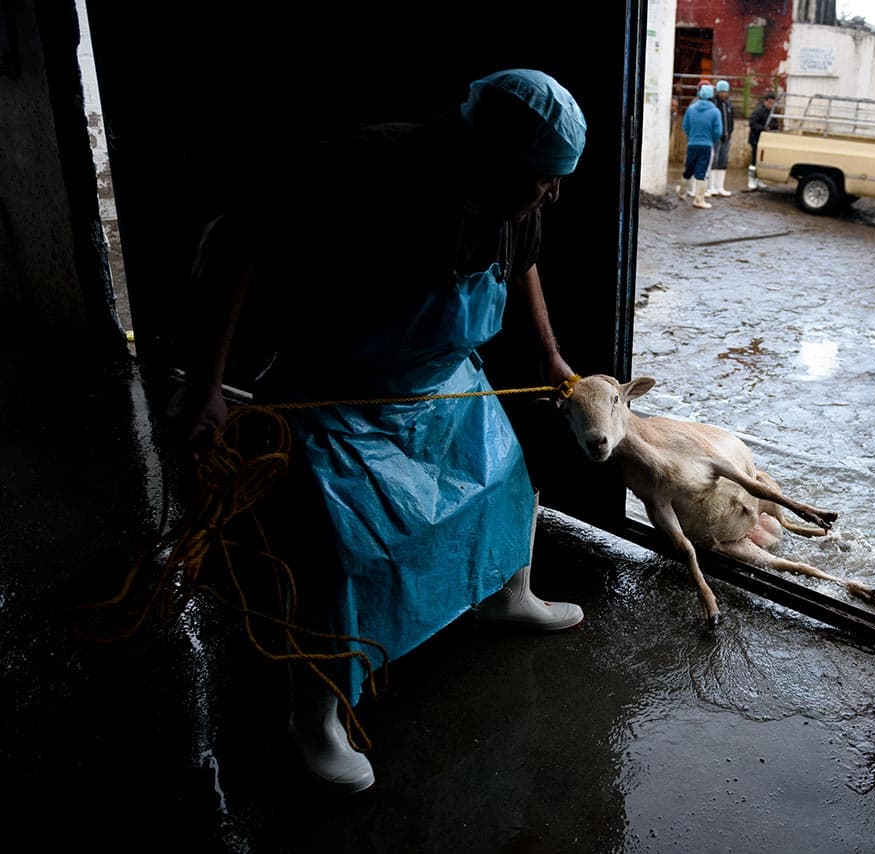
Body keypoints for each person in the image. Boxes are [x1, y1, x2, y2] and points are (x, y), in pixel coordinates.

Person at [176, 68, 589, 794]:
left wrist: (551, 356)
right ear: (490, 156)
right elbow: (234, 242)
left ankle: (503, 598)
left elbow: (520, 263)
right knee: (341, 552)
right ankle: (318, 717)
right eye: (544, 179)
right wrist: (208, 388)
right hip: (342, 394)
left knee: (506, 484)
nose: (553, 192)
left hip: (441, 378)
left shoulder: (519, 193)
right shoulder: (361, 170)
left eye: (559, 179)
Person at [679, 81, 722, 210]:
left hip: (692, 144)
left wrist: (692, 137)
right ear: (711, 96)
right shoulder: (715, 111)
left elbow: (685, 126)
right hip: (706, 145)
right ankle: (699, 200)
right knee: (702, 172)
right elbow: (718, 131)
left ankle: (682, 192)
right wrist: (711, 140)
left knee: (689, 169)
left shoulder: (691, 109)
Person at [747, 90, 779, 191]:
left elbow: (775, 124)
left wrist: (772, 128)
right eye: (770, 103)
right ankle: (751, 179)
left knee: (762, 161)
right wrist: (763, 128)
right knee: (754, 160)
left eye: (773, 103)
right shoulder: (759, 110)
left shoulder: (772, 112)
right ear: (765, 101)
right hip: (756, 139)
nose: (771, 105)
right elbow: (752, 123)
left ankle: (759, 179)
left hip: (766, 141)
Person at [708, 79, 735, 197]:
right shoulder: (713, 103)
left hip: (726, 136)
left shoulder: (728, 104)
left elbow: (731, 119)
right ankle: (711, 186)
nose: (724, 94)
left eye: (726, 92)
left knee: (723, 160)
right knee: (714, 160)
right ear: (717, 91)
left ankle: (720, 186)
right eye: (722, 91)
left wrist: (729, 132)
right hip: (716, 137)